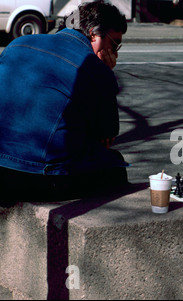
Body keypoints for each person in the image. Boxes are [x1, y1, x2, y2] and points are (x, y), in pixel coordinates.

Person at [0, 1, 129, 202]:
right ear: (94, 34)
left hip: (1, 167)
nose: (116, 52)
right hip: (40, 177)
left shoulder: (16, 44)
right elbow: (106, 136)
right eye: (114, 43)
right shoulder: (96, 69)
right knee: (115, 166)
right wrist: (106, 73)